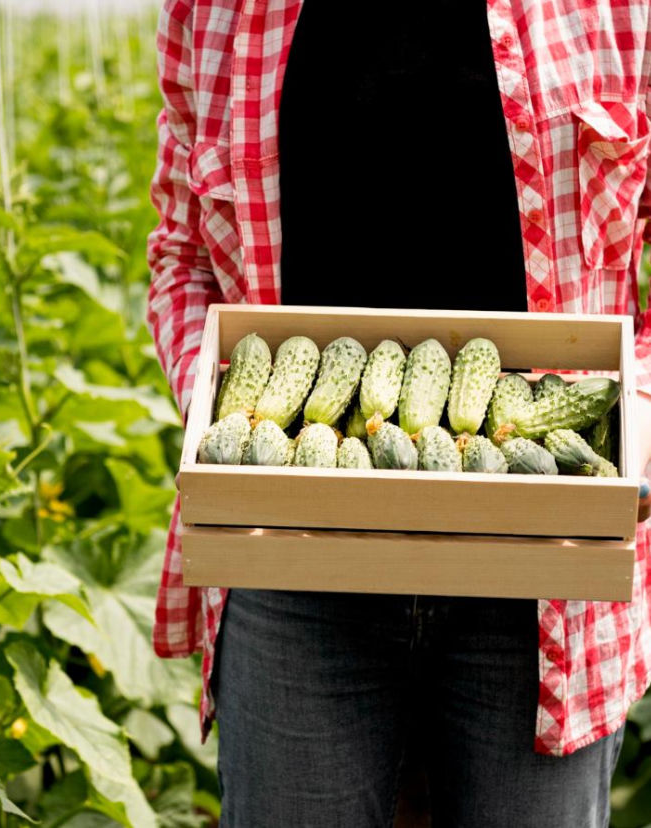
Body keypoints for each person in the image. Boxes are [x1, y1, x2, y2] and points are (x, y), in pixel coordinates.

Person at [145, 1, 651, 825]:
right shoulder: (216, 10)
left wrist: (642, 416)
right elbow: (181, 256)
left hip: (545, 565)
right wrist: (224, 406)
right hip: (291, 550)